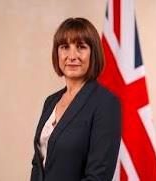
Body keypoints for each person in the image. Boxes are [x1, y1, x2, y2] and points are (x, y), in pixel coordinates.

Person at [30, 17, 121, 181]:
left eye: (81, 47)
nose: (72, 56)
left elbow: (98, 176)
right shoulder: (50, 102)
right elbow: (38, 164)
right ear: (57, 53)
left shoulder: (106, 103)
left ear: (93, 53)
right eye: (65, 47)